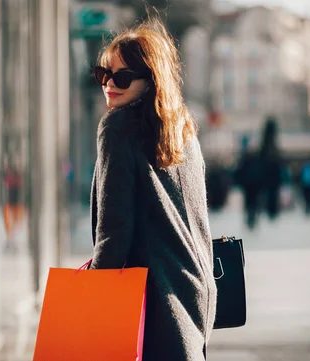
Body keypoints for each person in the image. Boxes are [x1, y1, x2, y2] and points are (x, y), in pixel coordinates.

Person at [88, 15, 217, 361]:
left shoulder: (118, 127)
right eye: (104, 74)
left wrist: (92, 307)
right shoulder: (183, 132)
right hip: (194, 296)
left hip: (151, 306)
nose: (109, 84)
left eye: (123, 76)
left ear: (151, 80)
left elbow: (114, 233)